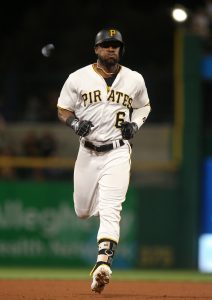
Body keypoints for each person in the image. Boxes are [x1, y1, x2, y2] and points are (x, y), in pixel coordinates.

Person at [57, 28, 151, 293]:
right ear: (96, 49)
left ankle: (103, 265)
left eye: (115, 45)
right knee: (83, 211)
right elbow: (63, 107)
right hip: (87, 152)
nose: (111, 49)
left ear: (121, 50)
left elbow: (144, 106)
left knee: (111, 209)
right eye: (106, 45)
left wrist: (135, 123)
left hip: (118, 152)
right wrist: (75, 122)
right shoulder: (78, 77)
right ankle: (106, 200)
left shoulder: (134, 79)